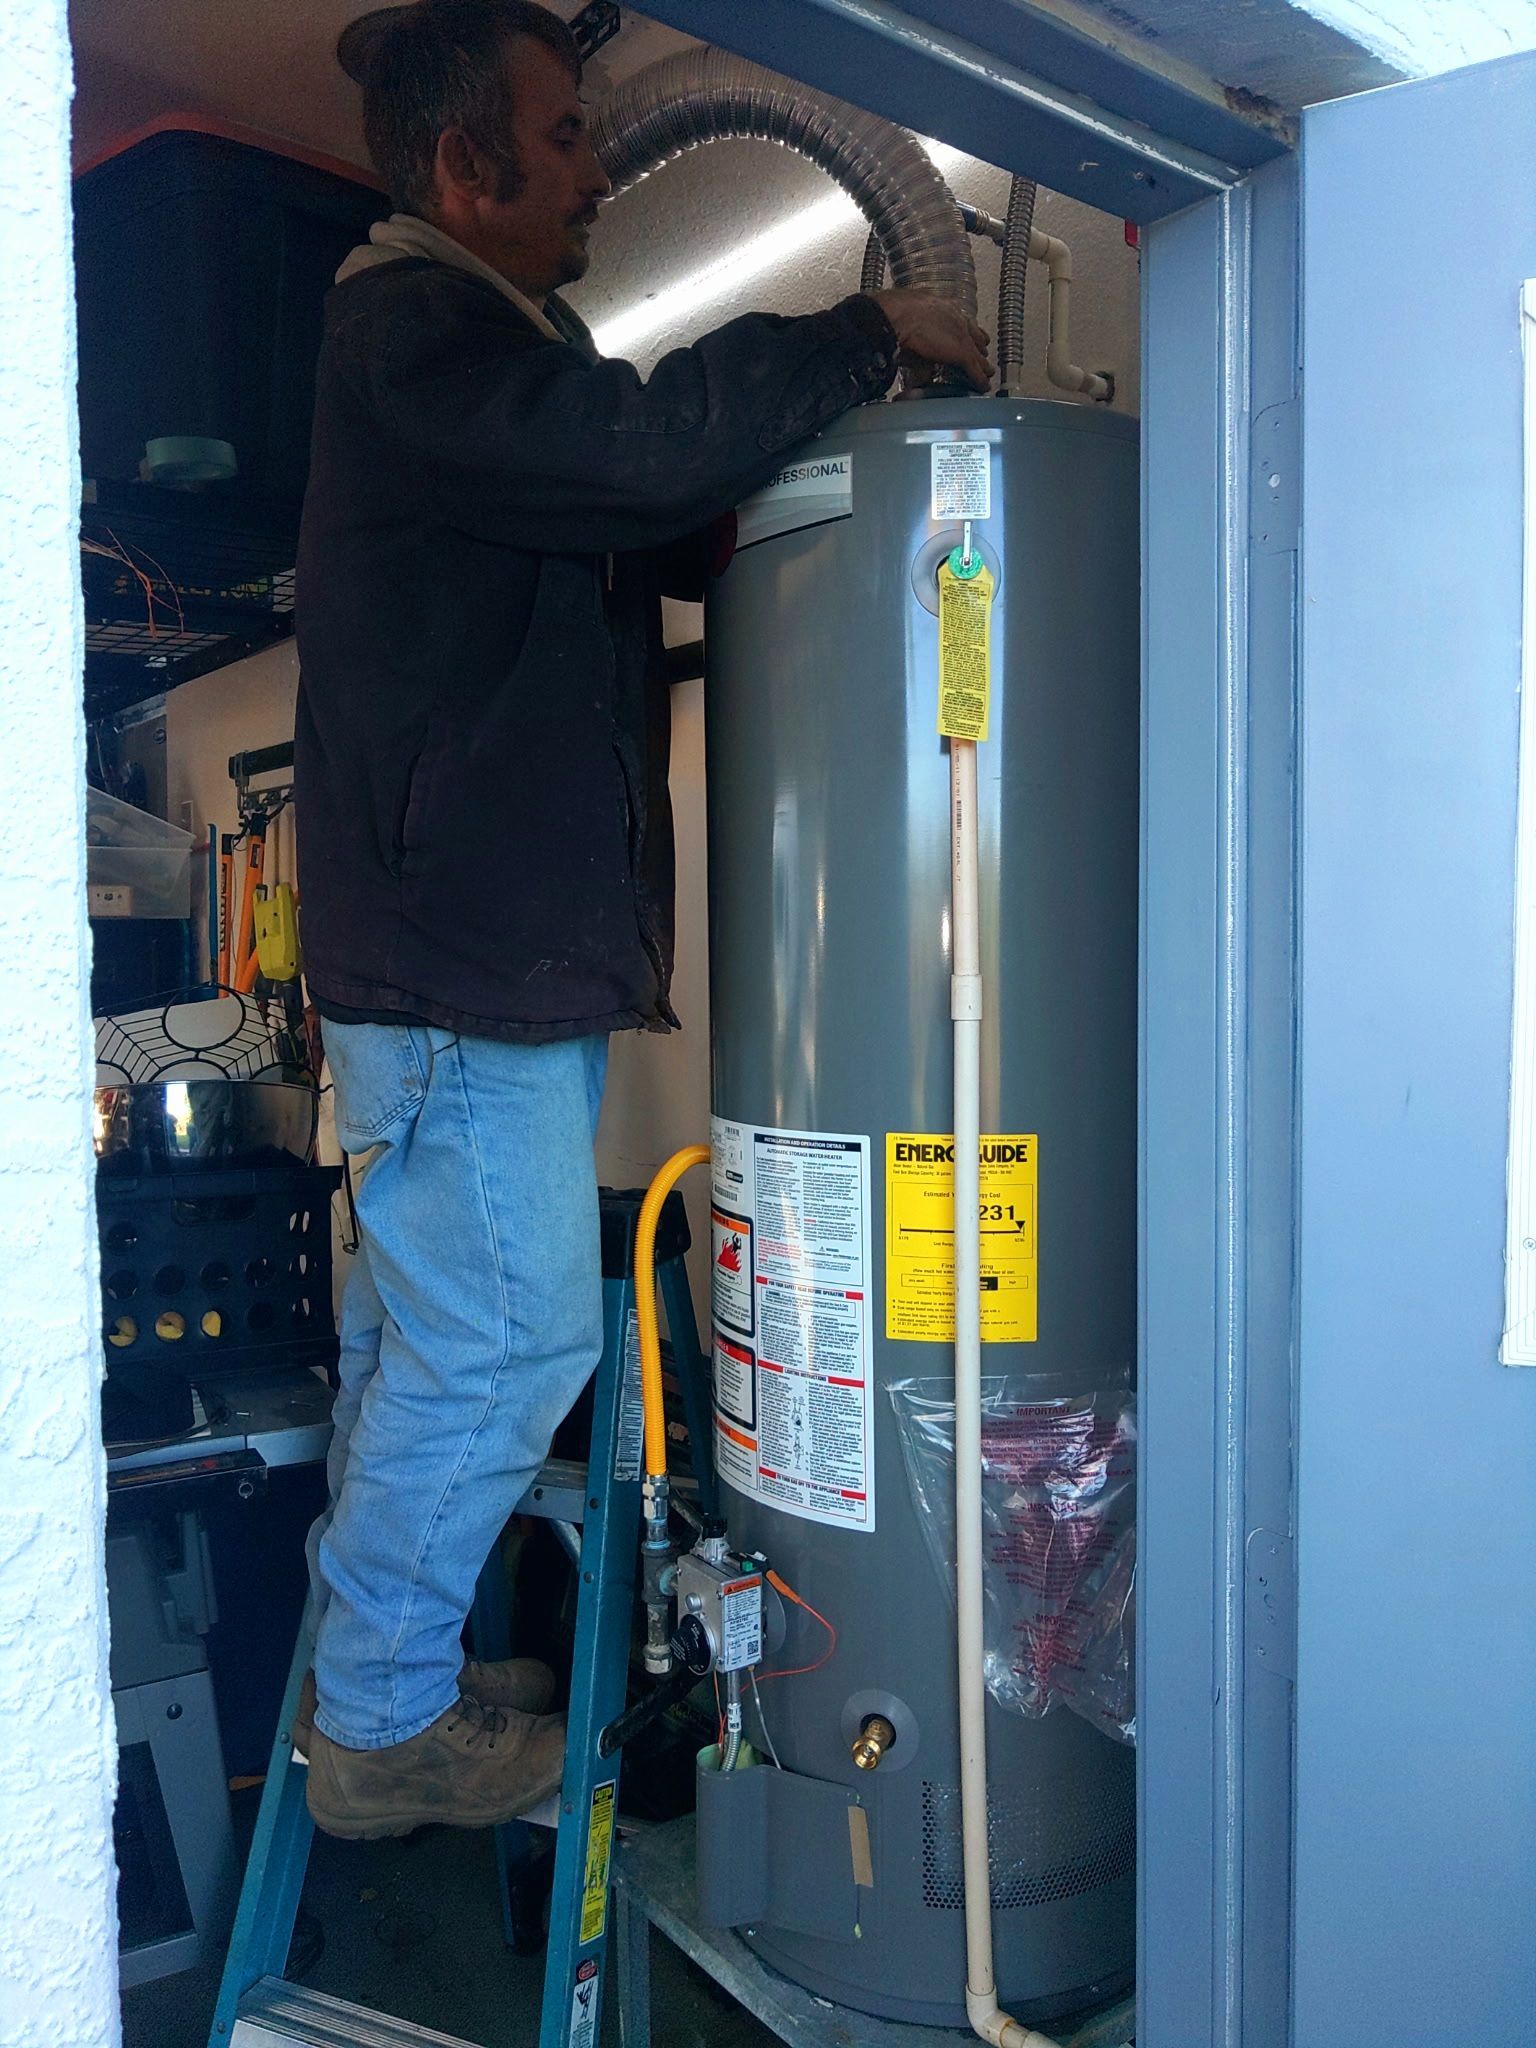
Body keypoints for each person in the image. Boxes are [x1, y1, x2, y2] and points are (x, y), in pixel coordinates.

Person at [294, 0, 993, 1841]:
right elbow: (612, 458)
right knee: (513, 1347)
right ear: (465, 167)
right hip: (458, 969)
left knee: (427, 1341)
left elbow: (617, 511)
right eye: (563, 134)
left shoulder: (487, 361)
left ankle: (385, 1673)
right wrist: (850, 335)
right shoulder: (419, 330)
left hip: (475, 960)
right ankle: (378, 1727)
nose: (598, 164)